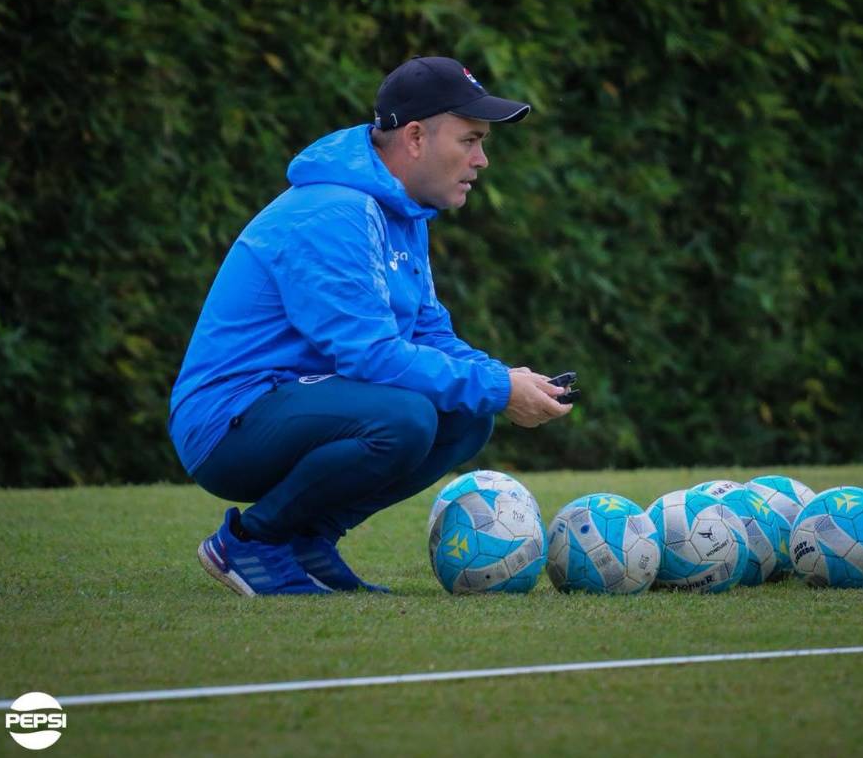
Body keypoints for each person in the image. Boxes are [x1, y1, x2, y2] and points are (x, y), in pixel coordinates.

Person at [168, 56, 572, 596]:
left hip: (295, 405)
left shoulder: (401, 214)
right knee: (405, 417)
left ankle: (307, 543)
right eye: (470, 140)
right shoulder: (336, 212)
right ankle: (251, 542)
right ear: (414, 138)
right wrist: (499, 387)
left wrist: (506, 379)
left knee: (467, 417)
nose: (482, 160)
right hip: (227, 423)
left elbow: (429, 336)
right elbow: (371, 355)